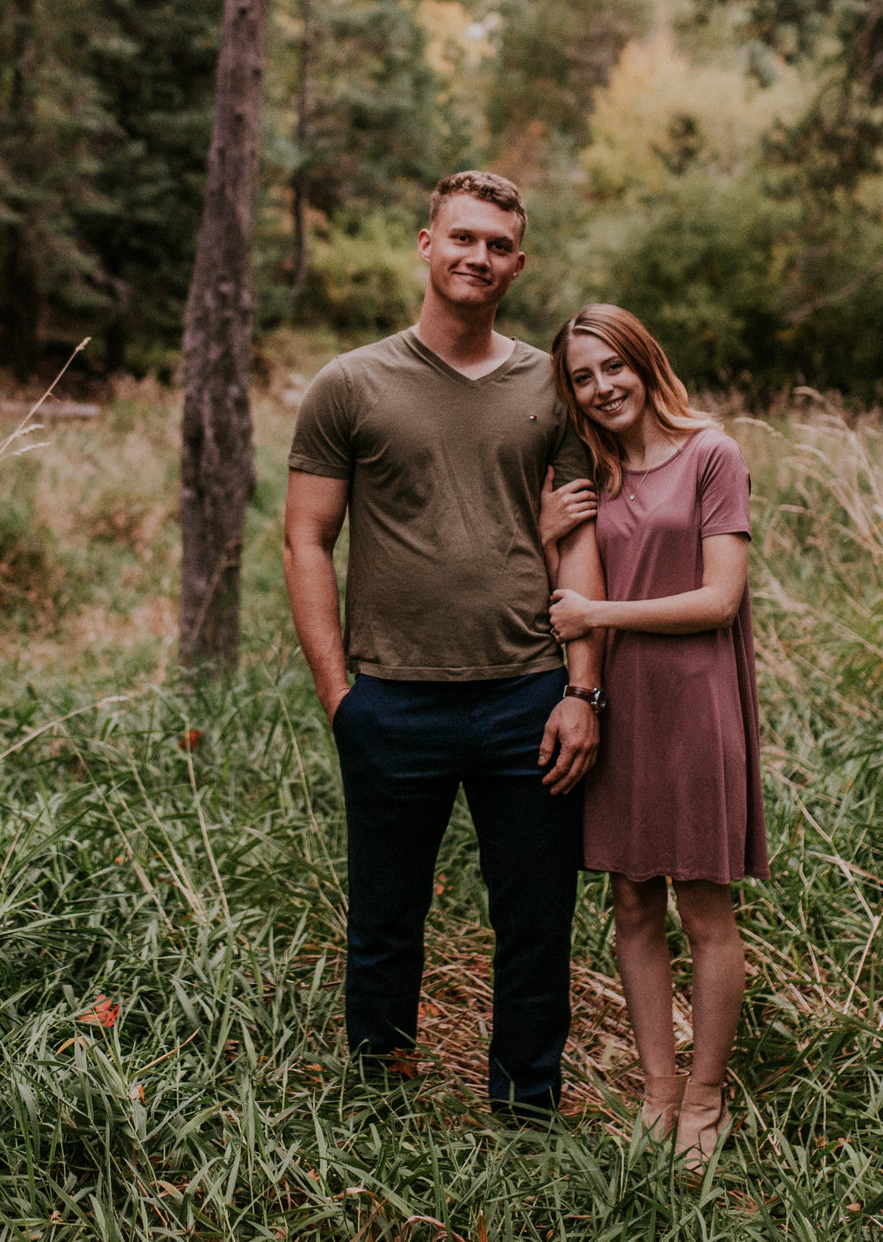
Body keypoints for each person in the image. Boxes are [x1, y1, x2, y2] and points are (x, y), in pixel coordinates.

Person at [283, 171, 606, 1119]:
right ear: (426, 243)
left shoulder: (553, 383)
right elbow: (307, 537)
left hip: (529, 694)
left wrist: (582, 693)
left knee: (536, 919)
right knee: (386, 917)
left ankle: (526, 1104)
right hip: (392, 697)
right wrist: (339, 692)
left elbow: (580, 532)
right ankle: (380, 1092)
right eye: (462, 237)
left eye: (499, 244)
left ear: (519, 261)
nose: (479, 257)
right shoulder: (350, 384)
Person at [537, 304, 763, 1166]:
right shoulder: (591, 472)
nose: (601, 388)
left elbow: (720, 598)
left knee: (702, 900)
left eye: (612, 368)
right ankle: (659, 1088)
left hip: (696, 700)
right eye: (582, 378)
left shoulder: (712, 453)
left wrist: (601, 612)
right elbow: (555, 585)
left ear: (643, 360)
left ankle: (706, 1096)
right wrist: (549, 532)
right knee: (631, 897)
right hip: (616, 703)